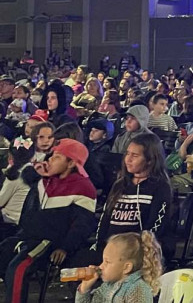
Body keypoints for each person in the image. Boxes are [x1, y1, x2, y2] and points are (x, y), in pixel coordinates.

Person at [0, 139, 97, 303]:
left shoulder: (83, 187)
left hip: (49, 241)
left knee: (18, 268)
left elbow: (83, 225)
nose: (50, 159)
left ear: (71, 163)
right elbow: (26, 173)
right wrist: (41, 170)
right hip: (26, 235)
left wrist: (65, 247)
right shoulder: (47, 179)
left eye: (57, 157)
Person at [92, 133, 172, 259]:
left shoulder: (161, 187)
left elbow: (155, 225)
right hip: (111, 248)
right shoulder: (120, 184)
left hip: (136, 251)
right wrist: (100, 246)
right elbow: (106, 218)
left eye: (135, 156)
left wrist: (136, 249)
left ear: (150, 160)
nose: (128, 159)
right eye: (127, 154)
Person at [75, 231, 163, 303]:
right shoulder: (107, 286)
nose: (101, 266)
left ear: (127, 268)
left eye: (107, 262)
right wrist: (84, 288)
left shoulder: (138, 290)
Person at [0, 141, 34, 237]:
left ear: (10, 156)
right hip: (24, 220)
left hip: (9, 221)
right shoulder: (32, 170)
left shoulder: (15, 175)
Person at [85, 119, 115, 191]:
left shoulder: (105, 150)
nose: (92, 133)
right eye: (92, 130)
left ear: (105, 135)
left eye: (96, 131)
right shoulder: (88, 146)